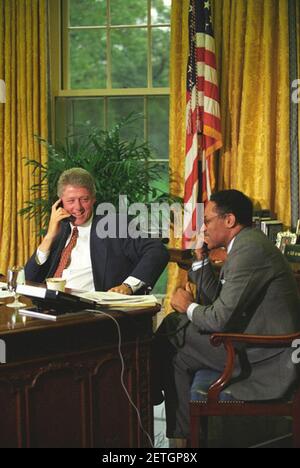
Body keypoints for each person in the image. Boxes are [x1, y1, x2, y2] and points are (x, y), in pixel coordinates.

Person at [152, 189, 300, 443]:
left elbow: (218, 319)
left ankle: (149, 392)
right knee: (177, 351)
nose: (203, 227)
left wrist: (187, 306)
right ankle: (184, 439)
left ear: (229, 220)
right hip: (251, 343)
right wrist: (200, 259)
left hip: (267, 356)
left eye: (208, 220)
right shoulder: (245, 244)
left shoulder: (249, 251)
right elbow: (218, 301)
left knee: (173, 329)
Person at [25, 168, 169, 293]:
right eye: (71, 201)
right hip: (51, 306)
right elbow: (29, 279)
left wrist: (128, 286)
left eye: (84, 199)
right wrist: (49, 237)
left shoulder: (113, 225)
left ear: (94, 199)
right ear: (60, 201)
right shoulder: (59, 229)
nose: (78, 207)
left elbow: (157, 251)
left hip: (91, 313)